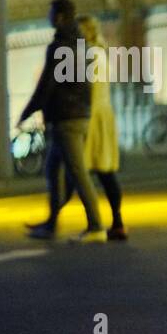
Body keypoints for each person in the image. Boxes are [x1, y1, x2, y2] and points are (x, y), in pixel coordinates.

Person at [20, 0, 105, 243]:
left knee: (78, 172)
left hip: (66, 118)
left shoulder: (58, 48)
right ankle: (51, 223)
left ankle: (96, 226)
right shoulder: (81, 45)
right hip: (77, 115)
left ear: (58, 17)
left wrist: (27, 112)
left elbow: (47, 84)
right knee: (52, 169)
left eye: (51, 13)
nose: (48, 17)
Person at [56, 15, 127, 240]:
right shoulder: (100, 53)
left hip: (91, 116)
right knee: (104, 172)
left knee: (75, 170)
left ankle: (55, 218)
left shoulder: (90, 55)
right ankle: (117, 223)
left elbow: (86, 90)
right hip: (101, 115)